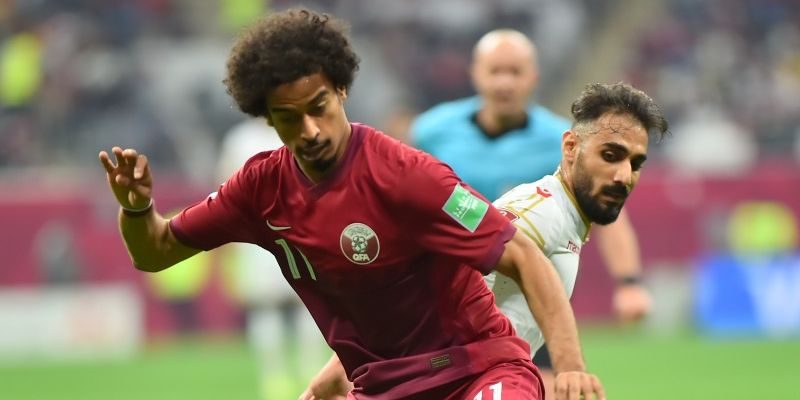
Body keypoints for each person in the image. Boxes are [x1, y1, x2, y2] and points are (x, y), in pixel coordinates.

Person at [98, 8, 602, 400]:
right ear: (267, 118)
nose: (310, 130)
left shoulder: (405, 174)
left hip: (476, 372)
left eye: (318, 107)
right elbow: (155, 251)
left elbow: (524, 257)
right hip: (380, 387)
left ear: (340, 89)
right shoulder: (259, 189)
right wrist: (137, 209)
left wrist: (570, 367)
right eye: (288, 117)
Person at [301, 82, 668, 400]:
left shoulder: (564, 220)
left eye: (636, 163)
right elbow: (438, 279)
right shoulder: (543, 213)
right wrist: (343, 366)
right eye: (610, 155)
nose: (624, 176)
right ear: (571, 147)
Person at [411, 29, 653, 392]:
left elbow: (607, 215)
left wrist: (628, 282)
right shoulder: (432, 131)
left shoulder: (558, 137)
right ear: (476, 74)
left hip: (531, 291)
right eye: (496, 71)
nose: (505, 82)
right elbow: (410, 201)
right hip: (457, 288)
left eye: (515, 71)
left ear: (533, 78)